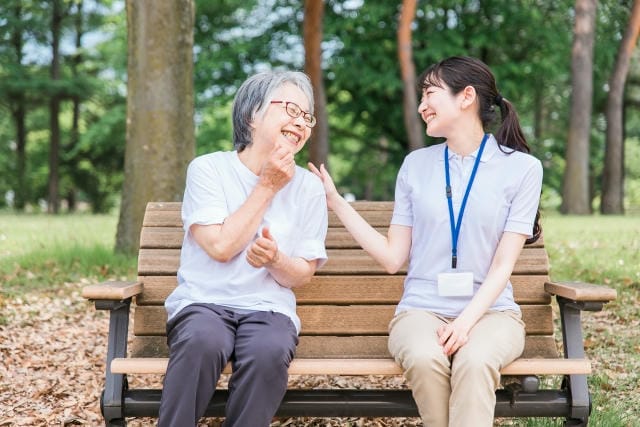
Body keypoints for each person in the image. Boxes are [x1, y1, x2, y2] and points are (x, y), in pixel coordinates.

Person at [309, 56, 542, 427]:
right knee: (423, 356)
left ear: (466, 97)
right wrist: (336, 201)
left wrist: (465, 323)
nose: (421, 106)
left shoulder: (523, 169)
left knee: (475, 359)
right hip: (420, 311)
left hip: (493, 313)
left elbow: (503, 265)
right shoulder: (415, 165)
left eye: (430, 94)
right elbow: (391, 257)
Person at [158, 70, 328, 427]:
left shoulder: (309, 188)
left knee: (269, 350)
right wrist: (267, 186)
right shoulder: (208, 169)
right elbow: (219, 247)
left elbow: (303, 273)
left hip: (268, 309)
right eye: (290, 110)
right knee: (203, 340)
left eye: (306, 116)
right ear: (252, 115)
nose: (300, 122)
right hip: (204, 302)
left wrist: (276, 259)